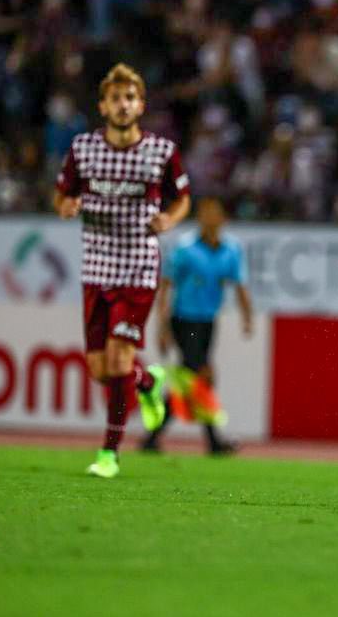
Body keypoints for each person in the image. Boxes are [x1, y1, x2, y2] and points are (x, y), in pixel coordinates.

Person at [53, 63, 191, 478]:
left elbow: (182, 198)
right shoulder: (82, 149)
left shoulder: (161, 152)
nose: (123, 104)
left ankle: (109, 454)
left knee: (116, 358)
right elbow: (62, 195)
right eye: (115, 98)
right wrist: (67, 207)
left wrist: (169, 218)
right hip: (96, 267)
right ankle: (148, 383)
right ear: (102, 106)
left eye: (129, 98)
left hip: (138, 268)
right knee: (100, 369)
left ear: (140, 105)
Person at [143, 197, 253, 454]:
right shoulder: (185, 249)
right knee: (203, 375)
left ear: (223, 219)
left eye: (214, 214)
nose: (209, 219)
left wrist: (247, 316)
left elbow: (240, 285)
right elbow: (167, 287)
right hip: (183, 320)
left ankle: (153, 438)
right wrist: (162, 328)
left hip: (207, 321)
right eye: (205, 214)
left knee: (189, 382)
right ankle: (214, 441)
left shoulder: (231, 250)